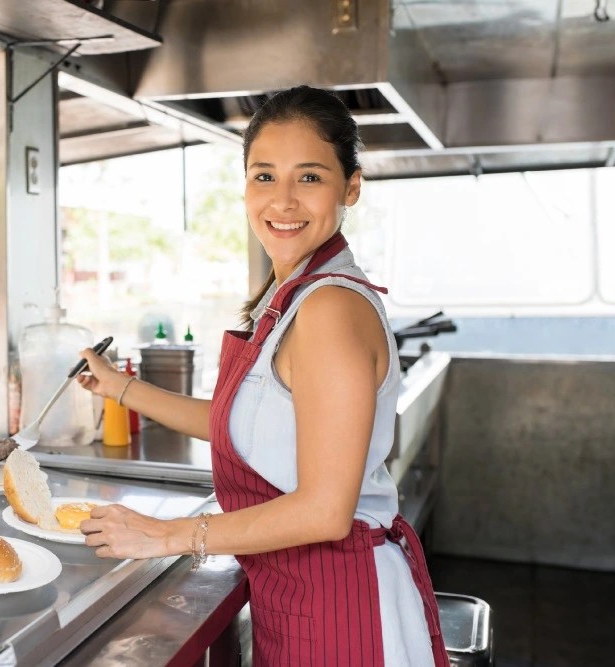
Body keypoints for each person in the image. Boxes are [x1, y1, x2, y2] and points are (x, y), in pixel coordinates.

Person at [76, 86, 450, 666]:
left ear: (350, 186)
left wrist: (168, 535)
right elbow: (241, 422)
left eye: (310, 177)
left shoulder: (328, 307)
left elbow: (325, 510)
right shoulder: (291, 295)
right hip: (300, 600)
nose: (283, 201)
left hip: (342, 609)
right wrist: (118, 386)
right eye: (264, 176)